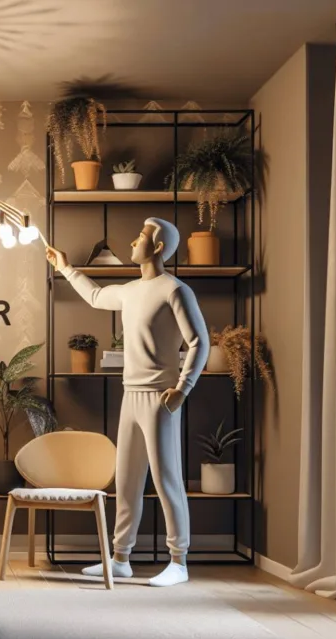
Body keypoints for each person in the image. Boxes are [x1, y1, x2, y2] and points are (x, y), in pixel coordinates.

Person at [45, 217, 208, 587]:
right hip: (130, 395)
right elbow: (96, 296)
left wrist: (182, 389)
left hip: (160, 398)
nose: (133, 242)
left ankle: (178, 561)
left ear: (159, 246)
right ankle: (121, 558)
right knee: (128, 480)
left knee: (167, 480)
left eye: (140, 237)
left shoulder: (175, 290)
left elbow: (200, 341)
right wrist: (65, 266)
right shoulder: (132, 290)